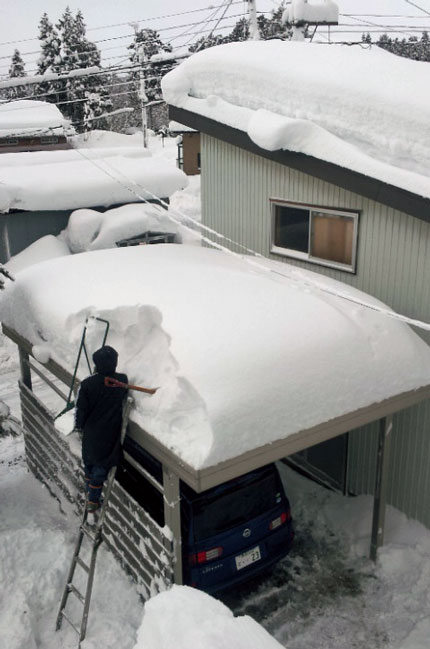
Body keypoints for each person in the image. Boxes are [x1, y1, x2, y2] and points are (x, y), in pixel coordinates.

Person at [74, 345, 128, 513]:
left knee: (90, 461)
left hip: (91, 431)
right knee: (101, 465)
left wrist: (79, 425)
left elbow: (81, 408)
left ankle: (91, 495)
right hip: (109, 432)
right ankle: (92, 498)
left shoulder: (88, 384)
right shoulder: (121, 381)